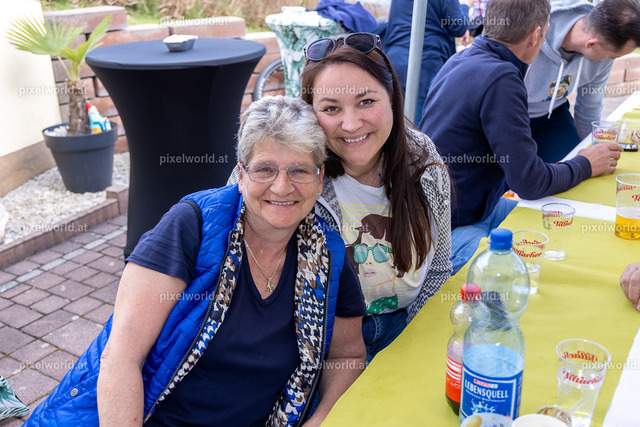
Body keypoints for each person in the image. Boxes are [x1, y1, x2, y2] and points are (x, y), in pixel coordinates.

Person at [24, 96, 367, 426]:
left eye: (299, 170)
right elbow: (122, 357)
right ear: (241, 175)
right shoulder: (192, 225)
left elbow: (347, 356)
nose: (282, 186)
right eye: (265, 169)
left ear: (319, 179)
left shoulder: (327, 254)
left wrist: (320, 420)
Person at [419, 0, 623, 274]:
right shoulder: (502, 77)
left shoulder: (461, 58)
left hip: (459, 209)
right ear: (535, 35)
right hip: (452, 228)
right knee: (528, 274)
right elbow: (529, 182)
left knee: (560, 218)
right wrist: (585, 164)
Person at [301, 32, 453, 360]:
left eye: (366, 101)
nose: (351, 124)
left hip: (407, 323)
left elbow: (439, 268)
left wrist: (411, 345)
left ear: (392, 98)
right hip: (328, 344)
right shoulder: (298, 172)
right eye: (331, 108)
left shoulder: (422, 159)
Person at [525, 0, 640, 163]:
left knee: (577, 165)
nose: (611, 60)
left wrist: (590, 149)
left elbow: (589, 106)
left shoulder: (603, 51)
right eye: (612, 56)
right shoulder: (528, 29)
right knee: (516, 173)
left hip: (551, 116)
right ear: (591, 44)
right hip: (507, 115)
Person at [383, 0, 475, 122]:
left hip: (396, 57)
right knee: (419, 125)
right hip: (425, 62)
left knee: (396, 122)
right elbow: (458, 26)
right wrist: (466, 6)